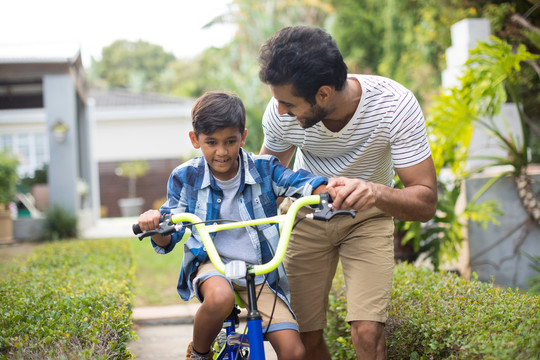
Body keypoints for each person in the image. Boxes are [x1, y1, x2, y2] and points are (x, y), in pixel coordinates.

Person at [258, 26, 438, 360]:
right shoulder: (280, 113)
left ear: (323, 94)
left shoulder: (394, 105)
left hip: (368, 218)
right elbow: (261, 183)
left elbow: (425, 201)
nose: (280, 110)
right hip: (304, 215)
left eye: (288, 103)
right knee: (303, 337)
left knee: (368, 333)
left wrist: (375, 192)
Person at [137, 91, 329, 360]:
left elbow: (298, 182)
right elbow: (170, 233)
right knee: (219, 298)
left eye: (230, 141)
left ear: (243, 136)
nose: (222, 151)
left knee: (294, 351)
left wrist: (327, 192)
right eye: (211, 142)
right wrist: (155, 225)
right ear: (195, 140)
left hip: (259, 272)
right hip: (213, 265)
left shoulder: (265, 169)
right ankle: (200, 353)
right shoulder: (185, 177)